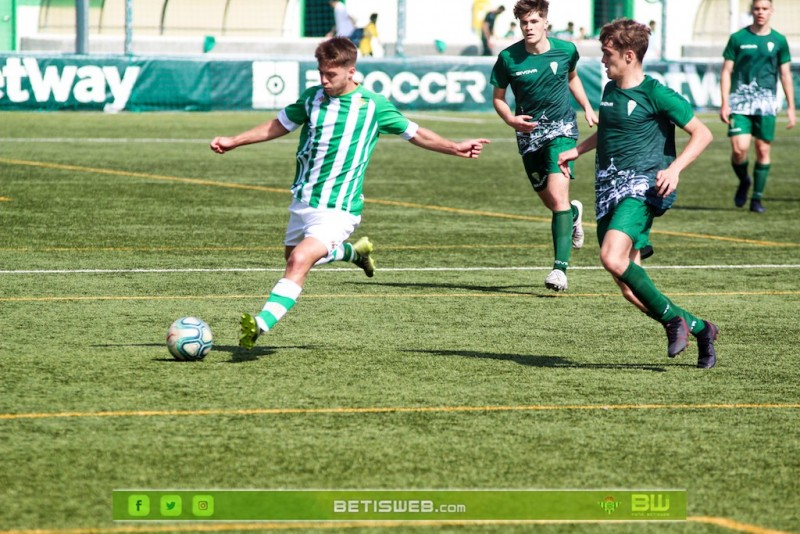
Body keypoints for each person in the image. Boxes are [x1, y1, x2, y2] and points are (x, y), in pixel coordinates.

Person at [210, 38, 490, 349]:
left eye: (331, 75)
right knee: (293, 259)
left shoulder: (372, 106)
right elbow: (279, 125)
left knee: (300, 260)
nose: (324, 81)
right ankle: (354, 253)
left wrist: (454, 146)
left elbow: (415, 132)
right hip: (303, 200)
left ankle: (260, 324)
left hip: (339, 208)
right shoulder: (312, 99)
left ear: (350, 71)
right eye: (320, 73)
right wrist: (235, 140)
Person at [558, 18, 719, 369]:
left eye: (607, 53)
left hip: (642, 188)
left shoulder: (656, 93)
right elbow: (609, 131)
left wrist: (674, 169)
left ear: (629, 55)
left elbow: (703, 134)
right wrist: (577, 151)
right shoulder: (609, 90)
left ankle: (672, 322)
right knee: (631, 290)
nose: (602, 60)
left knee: (610, 257)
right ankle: (700, 327)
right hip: (608, 192)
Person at [490, 0, 598, 292]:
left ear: (546, 23)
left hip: (562, 130)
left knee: (559, 197)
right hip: (528, 135)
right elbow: (498, 98)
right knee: (552, 201)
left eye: (534, 21)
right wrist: (511, 120)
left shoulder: (566, 50)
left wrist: (587, 106)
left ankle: (559, 271)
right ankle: (574, 215)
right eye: (524, 22)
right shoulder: (508, 58)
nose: (529, 27)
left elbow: (572, 78)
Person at [720, 0, 795, 213]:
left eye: (764, 9)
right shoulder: (738, 38)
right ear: (752, 11)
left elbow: (785, 74)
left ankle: (757, 199)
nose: (760, 12)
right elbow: (726, 71)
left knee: (762, 149)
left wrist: (791, 107)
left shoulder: (779, 40)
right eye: (757, 8)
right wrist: (725, 102)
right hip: (740, 102)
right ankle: (744, 179)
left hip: (766, 103)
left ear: (771, 11)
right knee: (739, 149)